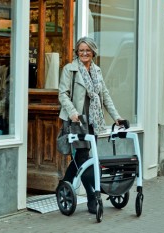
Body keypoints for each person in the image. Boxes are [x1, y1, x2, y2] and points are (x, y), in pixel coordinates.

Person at [58, 36, 124, 214]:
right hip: (76, 121)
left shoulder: (97, 71)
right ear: (77, 52)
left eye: (87, 50)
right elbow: (63, 94)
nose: (84, 53)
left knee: (81, 158)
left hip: (93, 122)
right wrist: (72, 112)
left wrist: (116, 117)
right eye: (81, 50)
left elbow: (105, 96)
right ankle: (92, 198)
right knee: (84, 158)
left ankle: (64, 185)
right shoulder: (70, 69)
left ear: (93, 52)